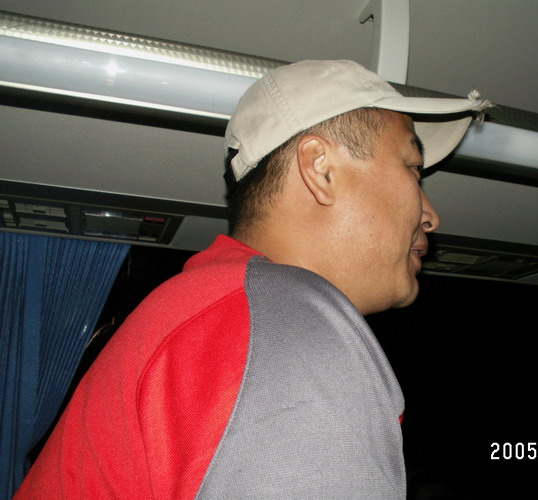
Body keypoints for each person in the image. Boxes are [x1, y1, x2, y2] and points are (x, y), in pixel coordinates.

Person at [15, 59, 489, 499]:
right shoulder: (285, 322)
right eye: (413, 169)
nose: (431, 215)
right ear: (321, 169)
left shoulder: (219, 310)